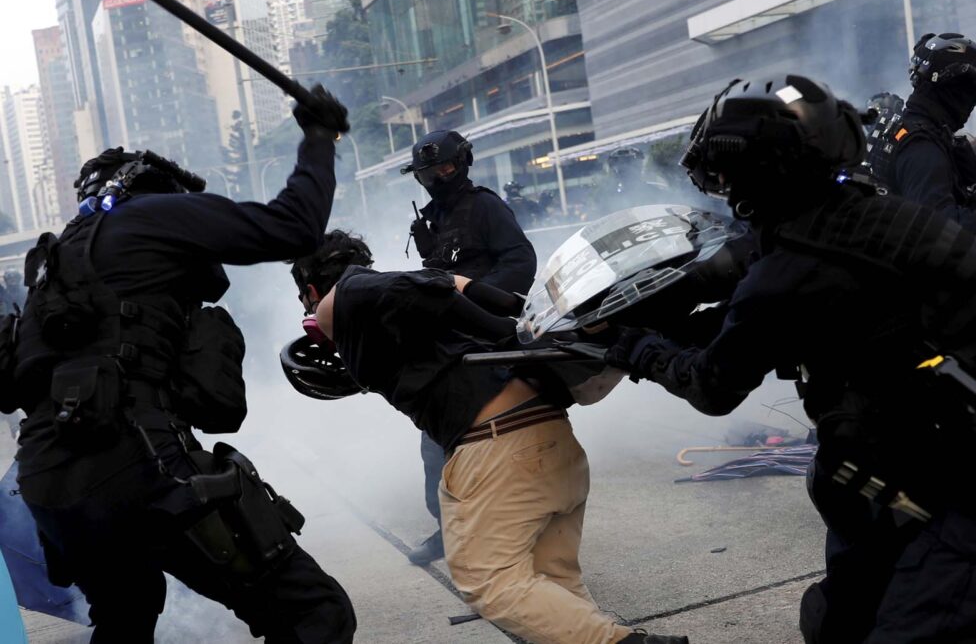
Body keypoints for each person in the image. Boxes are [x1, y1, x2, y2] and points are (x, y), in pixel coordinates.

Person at [603, 75, 976, 642]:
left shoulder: (798, 269)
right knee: (843, 616)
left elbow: (716, 383)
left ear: (757, 176)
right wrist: (668, 303)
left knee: (927, 624)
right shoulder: (866, 219)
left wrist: (633, 347)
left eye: (724, 176)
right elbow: (767, 283)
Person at [5, 87, 356, 642]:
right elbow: (294, 228)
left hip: (48, 483)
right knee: (314, 612)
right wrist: (318, 137)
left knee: (126, 615)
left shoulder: (54, 268)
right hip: (139, 464)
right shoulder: (154, 217)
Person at [287, 231, 686, 644]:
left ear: (311, 291)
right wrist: (516, 313)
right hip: (548, 438)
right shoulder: (389, 303)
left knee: (487, 580)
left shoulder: (346, 295)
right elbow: (453, 286)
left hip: (500, 448)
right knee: (551, 586)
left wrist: (502, 329)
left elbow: (432, 287)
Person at [402, 130, 537, 565]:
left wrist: (476, 295)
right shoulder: (428, 218)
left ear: (462, 162)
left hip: (487, 341)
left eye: (445, 167)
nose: (439, 177)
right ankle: (449, 532)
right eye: (429, 172)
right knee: (435, 444)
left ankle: (515, 540)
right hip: (446, 345)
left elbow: (521, 262)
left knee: (496, 441)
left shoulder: (485, 206)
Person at [866, 33, 976, 248]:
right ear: (954, 89)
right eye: (972, 94)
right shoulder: (922, 146)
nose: (972, 104)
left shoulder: (911, 129)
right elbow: (939, 227)